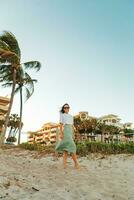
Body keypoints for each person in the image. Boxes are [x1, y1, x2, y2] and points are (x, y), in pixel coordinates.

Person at [55, 103, 79, 169]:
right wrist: (61, 133)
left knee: (66, 149)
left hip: (70, 131)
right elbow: (60, 125)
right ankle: (75, 164)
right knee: (72, 147)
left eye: (67, 107)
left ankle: (65, 165)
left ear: (69, 108)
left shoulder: (71, 117)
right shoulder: (62, 115)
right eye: (65, 108)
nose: (66, 109)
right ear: (63, 109)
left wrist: (73, 134)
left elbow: (72, 126)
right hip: (65, 131)